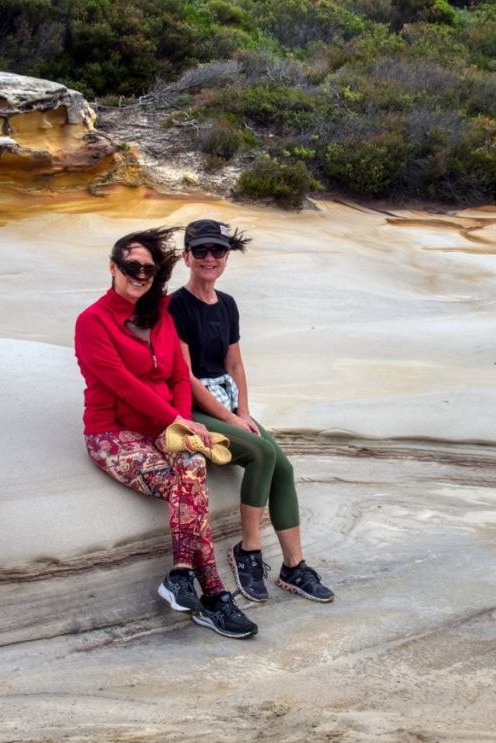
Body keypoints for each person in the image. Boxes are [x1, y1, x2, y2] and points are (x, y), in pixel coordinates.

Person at [74, 226, 258, 639]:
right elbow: (123, 384)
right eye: (131, 266)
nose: (140, 275)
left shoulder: (160, 314)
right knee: (184, 487)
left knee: (192, 463)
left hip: (161, 424)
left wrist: (181, 420)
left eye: (149, 269)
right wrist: (178, 420)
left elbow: (177, 374)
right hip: (112, 432)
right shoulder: (92, 322)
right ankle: (215, 595)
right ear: (113, 267)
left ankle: (181, 575)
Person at [168, 219, 334, 605]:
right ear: (186, 257)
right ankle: (248, 551)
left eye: (218, 251)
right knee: (260, 452)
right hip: (194, 407)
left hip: (227, 401)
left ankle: (293, 566)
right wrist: (230, 420)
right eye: (201, 251)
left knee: (284, 467)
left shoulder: (227, 304)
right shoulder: (176, 306)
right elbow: (185, 375)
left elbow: (235, 364)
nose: (210, 258)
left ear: (227, 257)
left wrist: (243, 410)